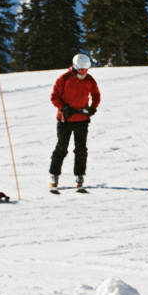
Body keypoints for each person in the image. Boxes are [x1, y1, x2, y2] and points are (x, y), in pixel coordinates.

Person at [49, 53, 100, 192]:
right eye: (82, 69)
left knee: (81, 150)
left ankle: (79, 176)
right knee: (61, 148)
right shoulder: (64, 79)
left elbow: (96, 95)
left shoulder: (89, 80)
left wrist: (92, 108)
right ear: (75, 67)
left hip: (82, 120)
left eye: (86, 69)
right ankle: (54, 175)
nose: (84, 71)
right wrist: (64, 108)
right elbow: (54, 97)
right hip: (65, 120)